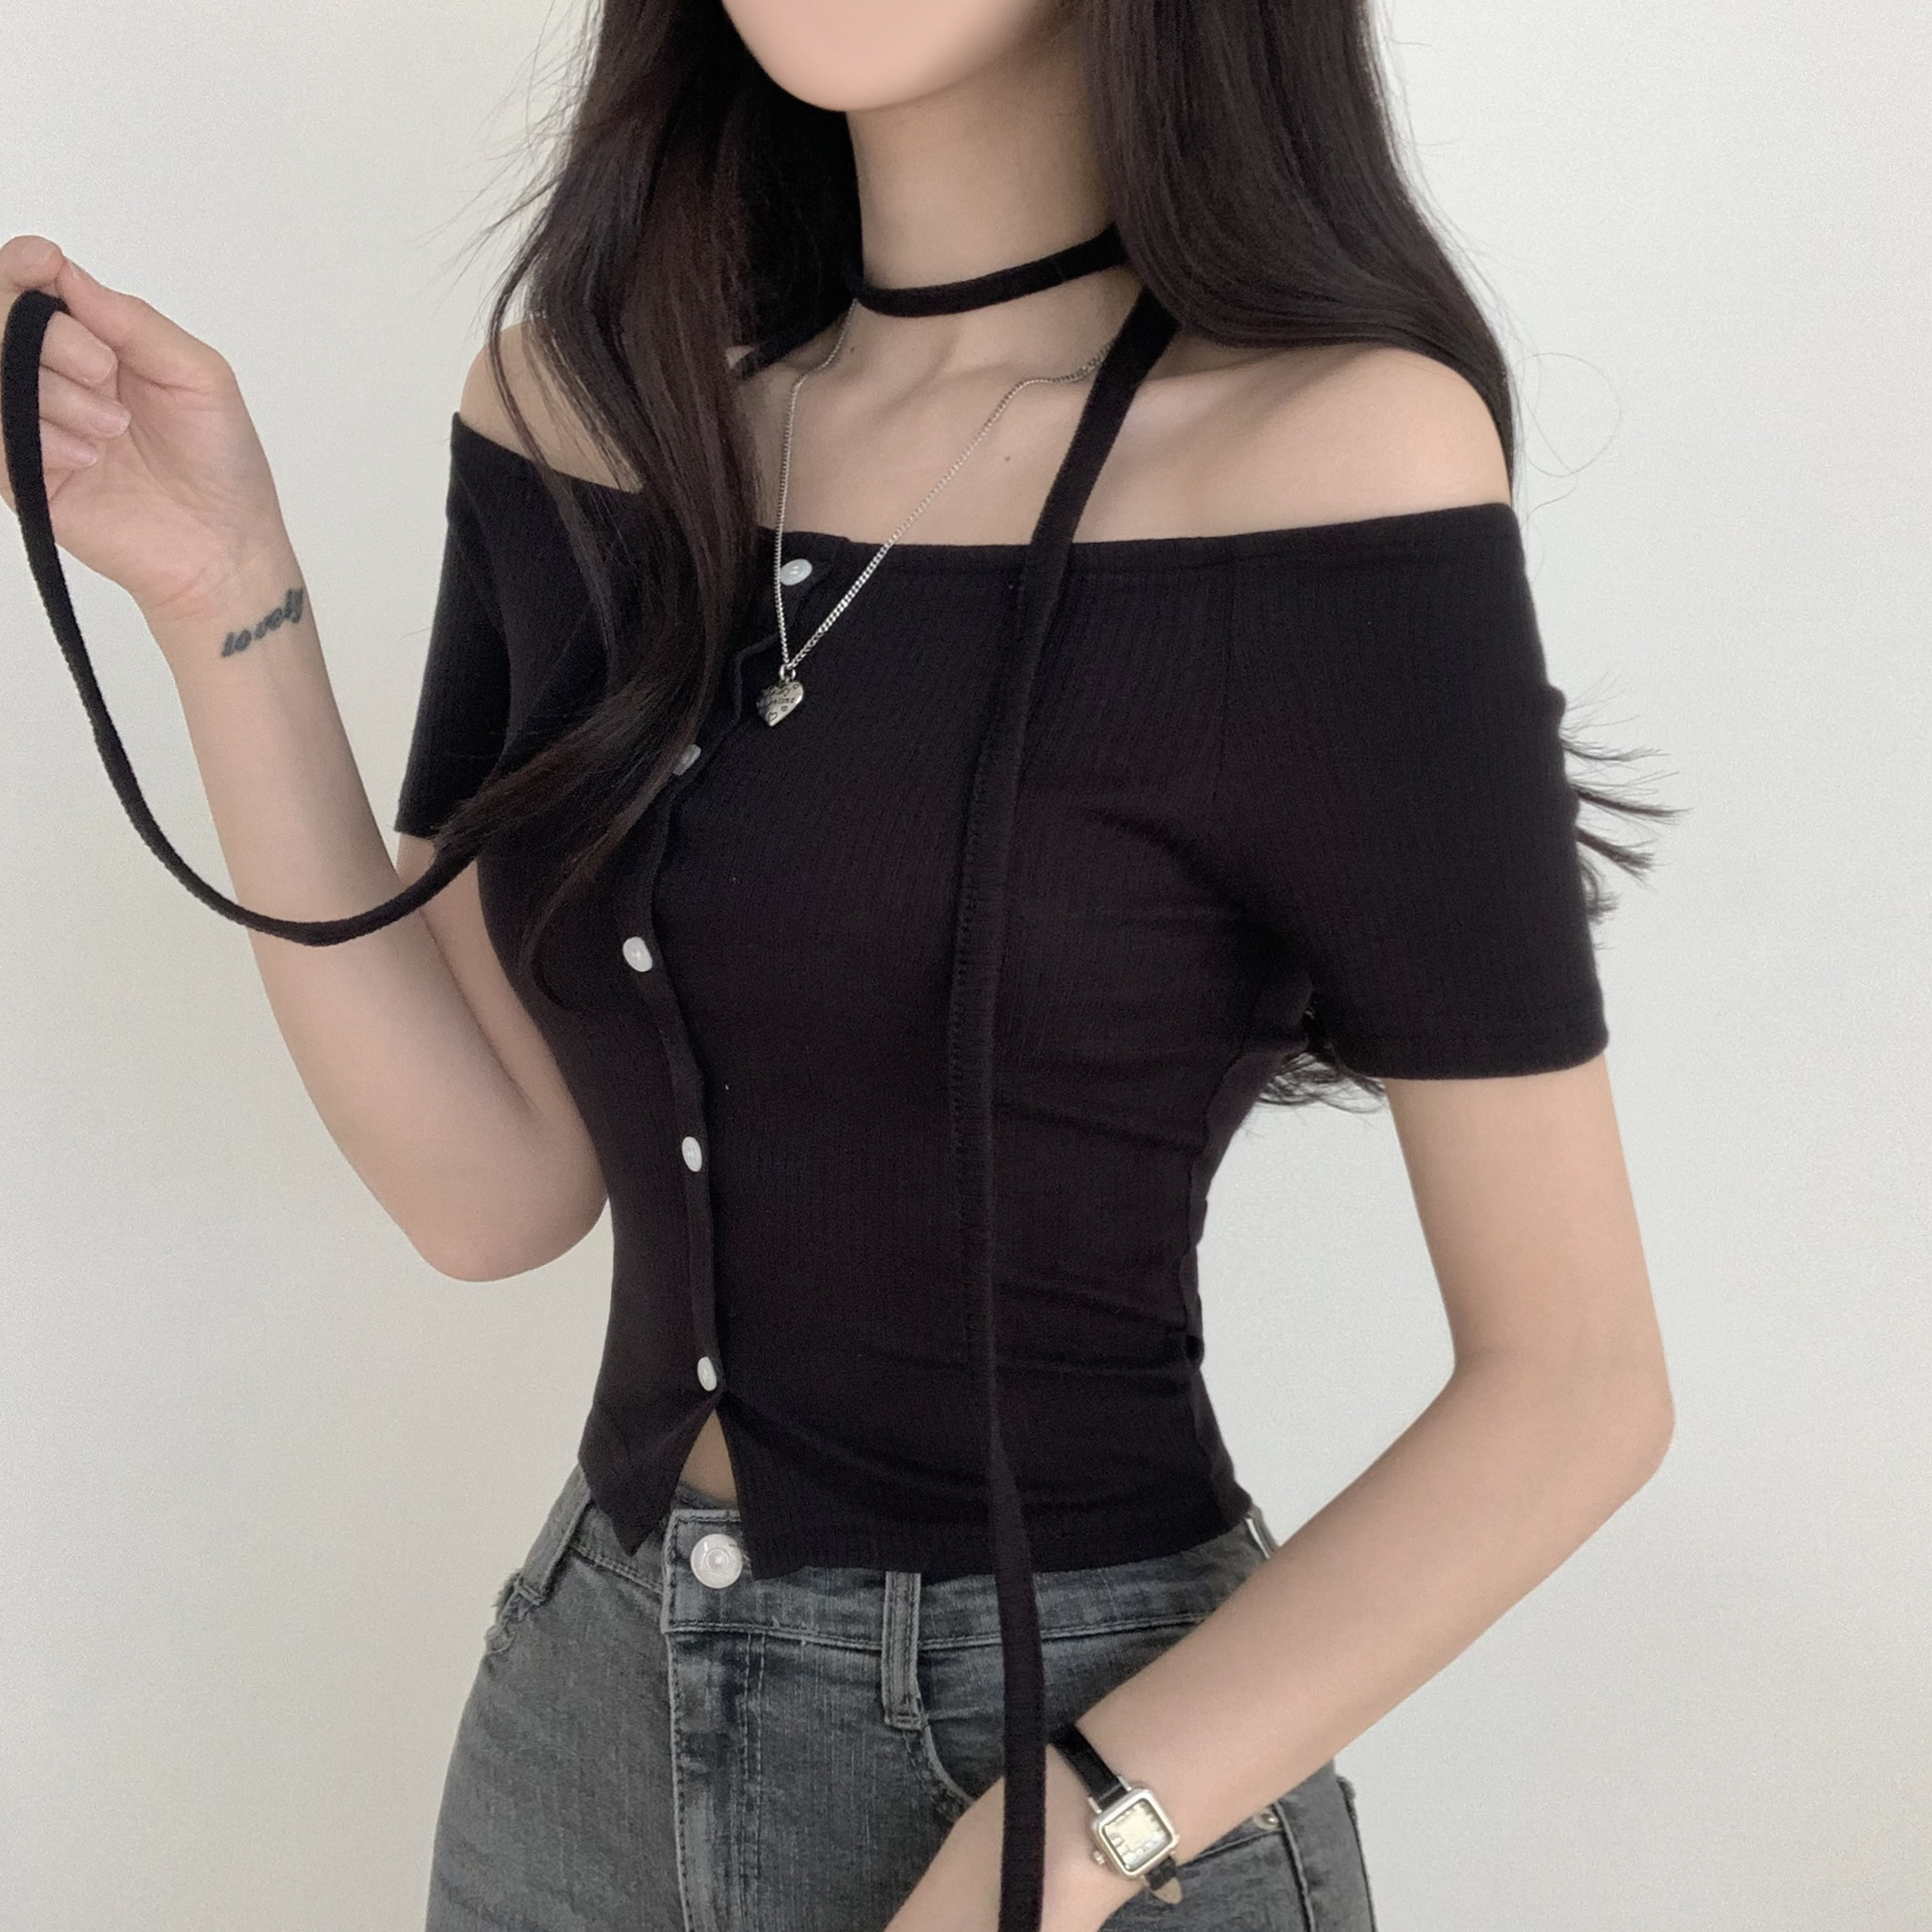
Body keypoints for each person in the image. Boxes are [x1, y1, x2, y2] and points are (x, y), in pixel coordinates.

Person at [0, 1, 1677, 1928]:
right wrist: (222, 589)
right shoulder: (579, 417)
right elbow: (493, 1188)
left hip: (1082, 1746)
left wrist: (1065, 1840)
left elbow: (1576, 1384)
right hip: (583, 1733)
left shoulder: (1330, 456)